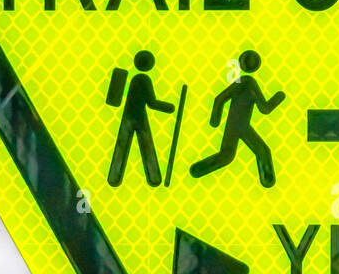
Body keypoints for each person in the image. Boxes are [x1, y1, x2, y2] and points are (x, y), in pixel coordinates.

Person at [190, 49, 285, 188]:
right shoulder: (249, 83)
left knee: (228, 155)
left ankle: (197, 170)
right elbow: (264, 109)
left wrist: (215, 120)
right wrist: (279, 97)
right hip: (241, 126)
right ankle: (267, 179)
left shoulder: (242, 83)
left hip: (236, 125)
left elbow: (219, 99)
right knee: (261, 151)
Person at [106, 50, 176, 187]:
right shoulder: (143, 79)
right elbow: (152, 103)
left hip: (129, 116)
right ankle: (153, 177)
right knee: (145, 145)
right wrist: (169, 107)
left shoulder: (137, 79)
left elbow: (114, 99)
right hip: (138, 118)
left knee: (125, 144)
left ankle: (115, 178)